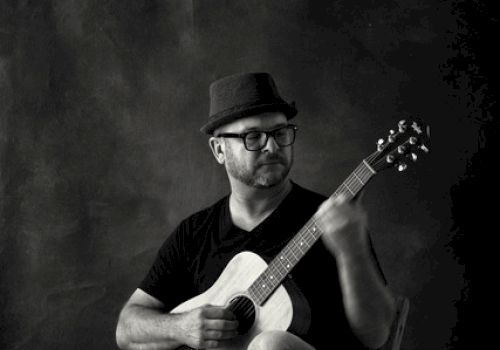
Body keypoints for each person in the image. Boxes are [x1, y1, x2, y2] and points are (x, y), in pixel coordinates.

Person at [115, 72, 396, 350]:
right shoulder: (194, 234)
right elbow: (127, 328)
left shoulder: (332, 219)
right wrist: (181, 327)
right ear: (219, 150)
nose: (272, 146)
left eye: (280, 132)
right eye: (253, 136)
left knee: (270, 345)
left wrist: (352, 251)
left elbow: (378, 335)